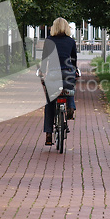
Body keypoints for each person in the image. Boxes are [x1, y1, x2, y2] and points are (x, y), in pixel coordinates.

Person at [40, 17, 77, 145]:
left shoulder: (49, 40)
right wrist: (75, 70)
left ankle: (49, 133)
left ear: (53, 27)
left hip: (53, 74)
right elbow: (73, 60)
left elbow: (44, 60)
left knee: (50, 102)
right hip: (67, 72)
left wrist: (41, 73)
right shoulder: (71, 41)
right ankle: (71, 107)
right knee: (70, 86)